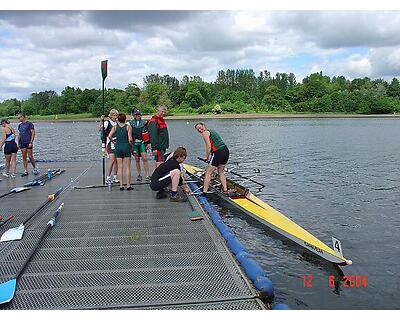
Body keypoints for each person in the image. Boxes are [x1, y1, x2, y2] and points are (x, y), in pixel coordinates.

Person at [195, 122, 230, 194]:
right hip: (225, 151)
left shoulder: (205, 133)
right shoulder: (212, 131)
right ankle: (225, 190)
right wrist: (211, 156)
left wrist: (206, 157)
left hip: (218, 152)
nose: (200, 130)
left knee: (208, 173)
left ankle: (205, 191)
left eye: (200, 128)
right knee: (221, 171)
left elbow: (209, 146)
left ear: (204, 126)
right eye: (198, 129)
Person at [108, 112, 133, 191]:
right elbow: (130, 139)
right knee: (127, 167)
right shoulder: (128, 127)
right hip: (126, 146)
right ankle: (128, 186)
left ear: (118, 119)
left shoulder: (115, 127)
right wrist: (131, 145)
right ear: (125, 119)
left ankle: (121, 185)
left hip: (118, 147)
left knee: (119, 167)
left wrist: (113, 142)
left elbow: (109, 136)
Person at [128, 108, 150, 181]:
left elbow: (147, 134)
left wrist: (148, 143)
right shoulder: (131, 123)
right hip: (134, 143)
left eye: (138, 114)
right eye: (136, 114)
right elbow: (129, 134)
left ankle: (147, 175)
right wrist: (130, 144)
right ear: (133, 115)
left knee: (145, 158)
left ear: (140, 115)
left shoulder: (144, 123)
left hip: (142, 143)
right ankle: (139, 175)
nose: (137, 116)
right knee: (137, 159)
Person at [98, 109, 119, 184]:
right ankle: (108, 177)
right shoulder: (107, 123)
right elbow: (99, 129)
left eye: (116, 115)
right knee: (112, 160)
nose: (115, 117)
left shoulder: (117, 123)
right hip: (110, 143)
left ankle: (115, 177)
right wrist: (101, 120)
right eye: (114, 115)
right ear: (110, 115)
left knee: (117, 161)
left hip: (117, 143)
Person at [147, 104, 169, 168]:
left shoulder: (161, 120)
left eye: (165, 112)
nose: (163, 113)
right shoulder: (154, 121)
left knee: (160, 162)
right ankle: (157, 177)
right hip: (158, 147)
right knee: (160, 163)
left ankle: (156, 177)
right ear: (158, 111)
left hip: (162, 146)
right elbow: (153, 136)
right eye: (162, 111)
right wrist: (154, 148)